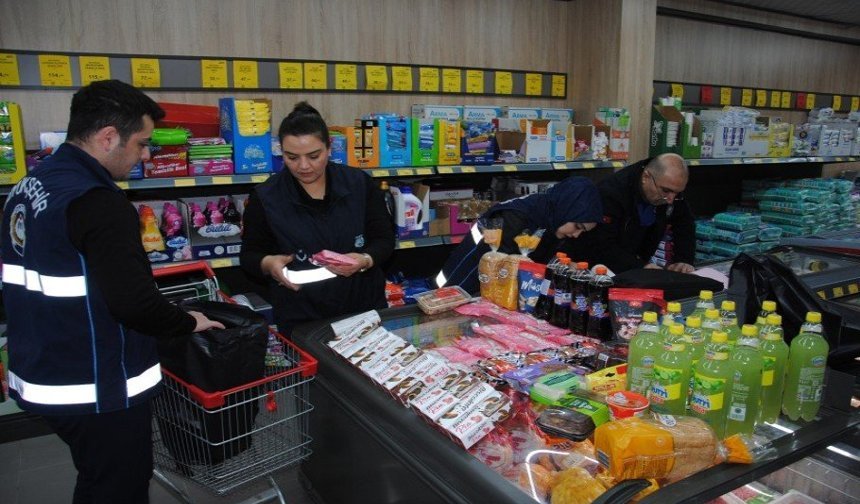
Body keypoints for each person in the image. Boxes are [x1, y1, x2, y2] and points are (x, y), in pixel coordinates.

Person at [0, 80, 224, 504]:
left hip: (43, 368)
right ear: (107, 137)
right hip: (96, 383)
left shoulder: (33, 183)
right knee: (116, 487)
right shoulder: (98, 201)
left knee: (97, 475)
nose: (145, 155)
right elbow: (134, 303)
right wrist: (186, 320)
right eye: (141, 143)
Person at [240, 102, 395, 336]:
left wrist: (365, 259)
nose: (304, 166)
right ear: (280, 151)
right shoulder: (266, 197)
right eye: (292, 157)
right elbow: (249, 255)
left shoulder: (358, 183)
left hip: (363, 308)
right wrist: (268, 264)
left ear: (329, 148)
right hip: (302, 316)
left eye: (314, 156)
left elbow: (384, 239)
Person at [435, 176, 604, 294]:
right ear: (566, 208)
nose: (576, 235)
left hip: (487, 293)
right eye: (577, 226)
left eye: (583, 231)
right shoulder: (514, 218)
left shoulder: (551, 217)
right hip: (459, 289)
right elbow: (497, 270)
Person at [566, 153, 696, 274]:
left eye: (677, 193)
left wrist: (683, 259)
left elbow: (684, 221)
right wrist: (638, 266)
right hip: (595, 266)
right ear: (646, 177)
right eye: (666, 191)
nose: (671, 199)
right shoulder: (611, 193)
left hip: (635, 256)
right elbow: (601, 243)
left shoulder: (669, 187)